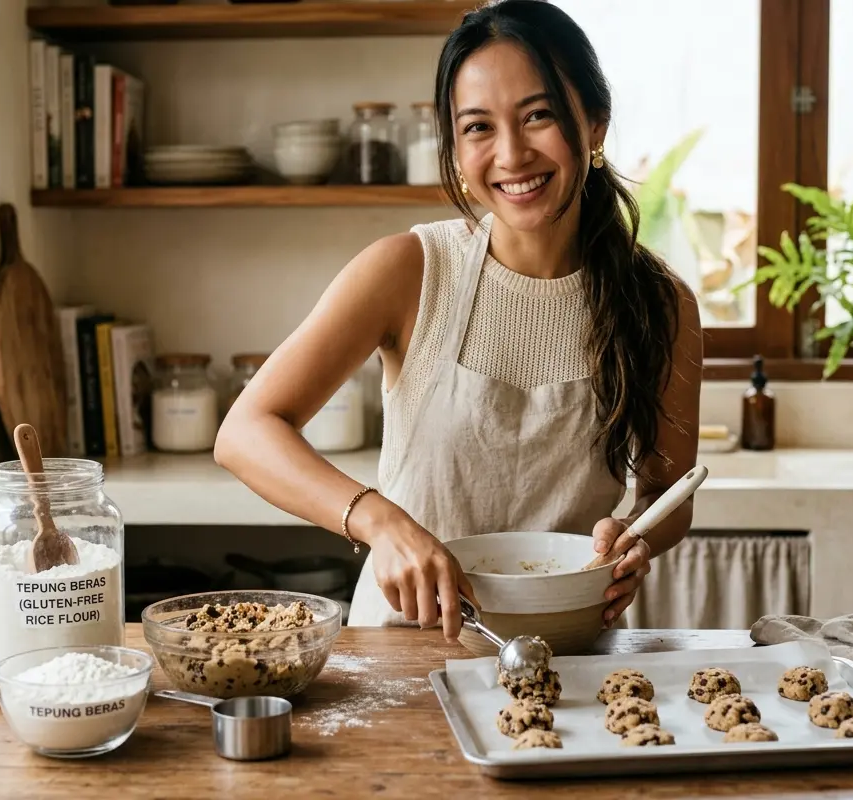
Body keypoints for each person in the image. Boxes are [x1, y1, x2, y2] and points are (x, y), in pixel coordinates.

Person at [214, 0, 702, 644]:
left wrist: (636, 538)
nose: (511, 154)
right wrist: (379, 521)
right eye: (478, 127)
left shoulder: (660, 302)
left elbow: (670, 492)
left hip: (573, 650)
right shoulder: (408, 270)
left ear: (594, 127)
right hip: (403, 646)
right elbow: (246, 431)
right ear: (454, 145)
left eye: (539, 115)